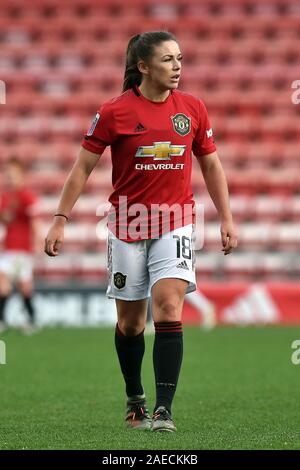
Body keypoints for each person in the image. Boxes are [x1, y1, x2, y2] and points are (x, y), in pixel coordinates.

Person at [44, 31, 237, 432]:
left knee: (168, 306)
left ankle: (164, 410)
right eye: (168, 60)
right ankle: (136, 398)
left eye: (180, 58)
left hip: (176, 221)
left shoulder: (193, 109)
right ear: (143, 67)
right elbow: (82, 168)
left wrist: (226, 217)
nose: (178, 66)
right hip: (127, 225)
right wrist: (61, 218)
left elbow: (212, 166)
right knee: (132, 324)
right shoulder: (114, 112)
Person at [0, 157, 40, 334]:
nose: (9, 178)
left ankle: (30, 319)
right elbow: (5, 219)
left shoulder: (26, 196)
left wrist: (38, 241)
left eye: (13, 175)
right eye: (7, 175)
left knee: (19, 285)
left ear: (21, 176)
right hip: (9, 247)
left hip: (22, 249)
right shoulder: (5, 197)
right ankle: (30, 319)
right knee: (10, 284)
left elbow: (34, 221)